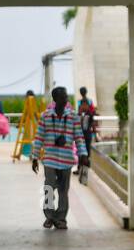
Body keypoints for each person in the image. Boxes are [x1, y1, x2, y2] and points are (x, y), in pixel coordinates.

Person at [32, 86, 89, 230]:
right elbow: (39, 137)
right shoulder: (46, 116)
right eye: (63, 97)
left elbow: (79, 137)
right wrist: (35, 157)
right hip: (50, 159)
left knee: (64, 191)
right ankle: (49, 217)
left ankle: (61, 218)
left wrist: (83, 154)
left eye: (66, 97)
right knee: (49, 188)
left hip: (66, 160)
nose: (66, 99)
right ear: (56, 99)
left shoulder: (73, 117)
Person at [76, 86, 98, 174]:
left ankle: (84, 170)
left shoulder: (88, 114)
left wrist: (95, 134)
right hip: (82, 135)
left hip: (87, 135)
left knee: (86, 152)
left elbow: (93, 124)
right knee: (81, 152)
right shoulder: (81, 114)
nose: (84, 106)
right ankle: (80, 169)